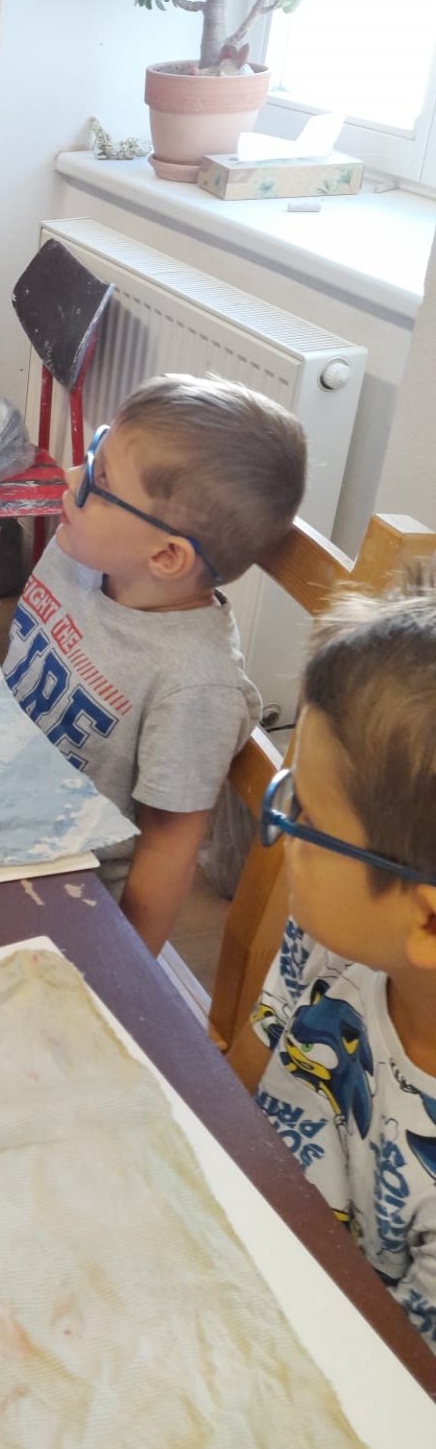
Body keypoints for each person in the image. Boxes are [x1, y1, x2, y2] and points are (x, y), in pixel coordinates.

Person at [2, 375, 306, 952]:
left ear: (166, 556)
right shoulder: (83, 555)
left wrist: (126, 973)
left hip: (60, 899)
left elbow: (168, 849)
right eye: (95, 452)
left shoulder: (195, 687)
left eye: (99, 481)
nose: (71, 477)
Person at [244, 568, 436, 1350]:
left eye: (310, 818)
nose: (283, 830)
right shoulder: (334, 936)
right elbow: (240, 1083)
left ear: (428, 921)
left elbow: (397, 1382)